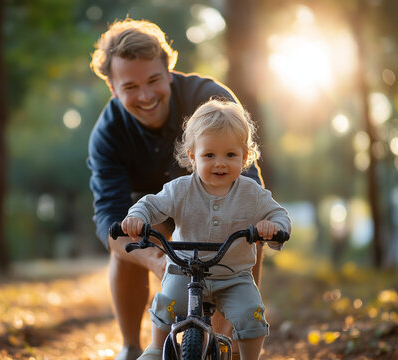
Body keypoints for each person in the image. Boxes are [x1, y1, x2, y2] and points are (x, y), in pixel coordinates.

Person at [87, 18, 265, 360]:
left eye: (154, 80)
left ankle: (229, 340)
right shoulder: (106, 135)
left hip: (213, 206)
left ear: (168, 70)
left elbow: (249, 186)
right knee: (124, 242)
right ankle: (131, 346)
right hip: (151, 215)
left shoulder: (213, 102)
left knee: (248, 232)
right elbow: (107, 217)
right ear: (113, 88)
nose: (146, 96)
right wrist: (156, 260)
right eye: (130, 87)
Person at [120, 99, 291, 360]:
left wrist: (274, 227)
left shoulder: (252, 194)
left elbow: (278, 214)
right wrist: (138, 218)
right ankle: (156, 347)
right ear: (192, 156)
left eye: (230, 155)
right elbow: (151, 204)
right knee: (168, 301)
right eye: (209, 155)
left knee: (251, 313)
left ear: (244, 157)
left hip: (233, 276)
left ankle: (248, 357)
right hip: (184, 269)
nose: (219, 163)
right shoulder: (180, 189)